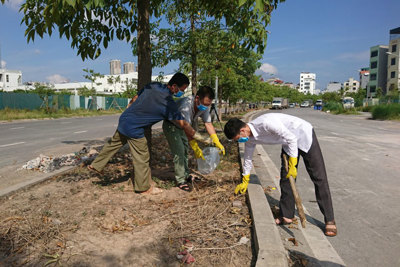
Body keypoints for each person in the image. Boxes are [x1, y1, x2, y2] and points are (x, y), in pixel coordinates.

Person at [88, 73, 202, 195]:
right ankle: (144, 188)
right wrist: (199, 136)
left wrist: (131, 110)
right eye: (181, 90)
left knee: (113, 144)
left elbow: (135, 98)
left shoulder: (154, 85)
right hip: (134, 129)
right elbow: (183, 124)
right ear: (174, 86)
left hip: (125, 119)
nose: (181, 93)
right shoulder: (168, 103)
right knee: (142, 157)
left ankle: (96, 165)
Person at [223, 114, 337, 237]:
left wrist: (293, 162)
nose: (239, 141)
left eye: (238, 138)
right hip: (288, 143)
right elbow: (248, 158)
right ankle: (287, 215)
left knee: (319, 177)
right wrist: (245, 179)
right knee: (286, 178)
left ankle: (329, 219)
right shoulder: (250, 138)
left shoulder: (266, 124)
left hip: (303, 135)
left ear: (243, 130)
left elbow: (292, 137)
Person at [163, 86, 225, 191]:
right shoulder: (186, 105)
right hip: (171, 125)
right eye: (205, 104)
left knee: (185, 150)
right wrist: (196, 144)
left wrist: (216, 140)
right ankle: (180, 180)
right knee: (179, 151)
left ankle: (186, 175)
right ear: (197, 98)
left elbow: (208, 123)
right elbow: (186, 127)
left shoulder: (204, 106)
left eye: (208, 104)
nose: (206, 107)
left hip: (184, 127)